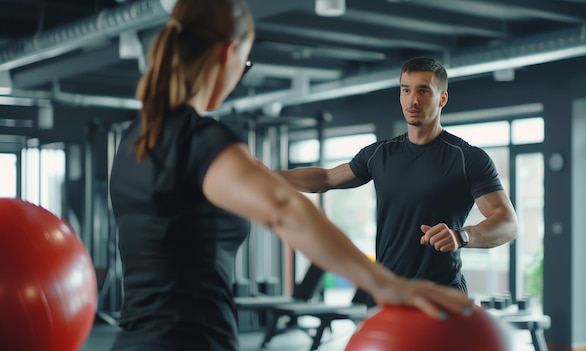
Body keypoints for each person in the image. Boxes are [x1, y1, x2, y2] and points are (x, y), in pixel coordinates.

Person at [107, 2, 474, 351]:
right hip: (191, 341)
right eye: (245, 62)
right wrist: (386, 285)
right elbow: (283, 209)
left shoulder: (135, 139)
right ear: (227, 53)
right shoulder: (203, 140)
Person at [277, 57, 518, 306]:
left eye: (423, 90)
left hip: (440, 293)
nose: (413, 100)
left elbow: (508, 223)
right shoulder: (379, 154)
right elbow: (325, 178)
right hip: (386, 292)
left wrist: (462, 236)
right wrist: (266, 176)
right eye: (406, 89)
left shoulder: (466, 158)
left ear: (442, 98)